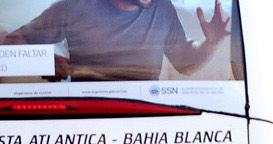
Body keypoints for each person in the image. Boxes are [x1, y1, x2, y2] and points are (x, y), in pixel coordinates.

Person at [2, 0, 232, 82]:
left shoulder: (162, 7)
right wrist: (41, 61)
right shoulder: (74, 7)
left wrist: (210, 43)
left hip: (148, 114)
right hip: (89, 116)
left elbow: (184, 62)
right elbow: (9, 46)